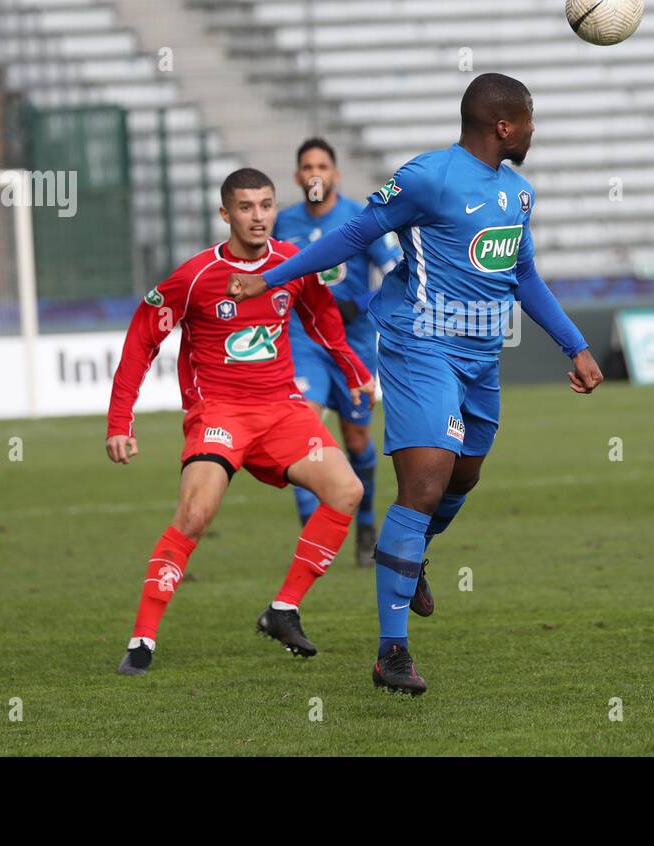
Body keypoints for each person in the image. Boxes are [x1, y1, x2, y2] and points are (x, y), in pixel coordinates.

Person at [225, 73, 604, 695]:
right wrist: (274, 279)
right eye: (529, 118)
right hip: (419, 342)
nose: (534, 129)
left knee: (463, 478)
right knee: (424, 482)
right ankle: (390, 652)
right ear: (503, 125)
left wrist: (575, 344)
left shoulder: (519, 193)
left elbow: (524, 275)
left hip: (481, 354)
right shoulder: (429, 177)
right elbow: (355, 234)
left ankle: (411, 555)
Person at [107, 168, 374, 675]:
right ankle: (142, 640)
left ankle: (283, 609)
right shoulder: (195, 277)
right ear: (225, 214)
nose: (258, 216)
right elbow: (143, 337)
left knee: (347, 491)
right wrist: (121, 419)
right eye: (247, 207)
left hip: (281, 409)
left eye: (267, 205)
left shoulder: (292, 263)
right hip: (219, 414)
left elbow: (321, 316)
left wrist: (355, 370)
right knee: (195, 515)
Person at [273, 138, 400, 565]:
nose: (315, 173)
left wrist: (360, 304)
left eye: (322, 166)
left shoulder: (359, 218)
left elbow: (396, 273)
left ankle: (365, 523)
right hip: (302, 339)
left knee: (357, 439)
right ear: (297, 177)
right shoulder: (283, 222)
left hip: (353, 343)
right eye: (307, 166)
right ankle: (312, 531)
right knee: (302, 426)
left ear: (335, 175)